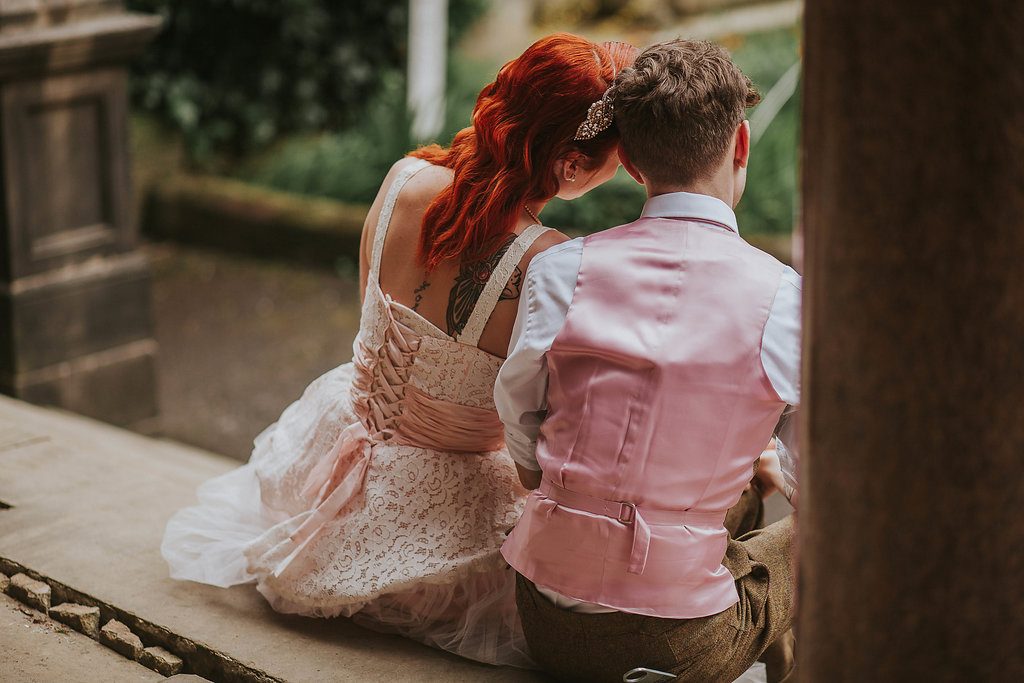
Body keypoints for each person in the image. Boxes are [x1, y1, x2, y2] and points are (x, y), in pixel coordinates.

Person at [160, 34, 636, 668]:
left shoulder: (405, 176)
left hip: (332, 450)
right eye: (614, 161)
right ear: (572, 165)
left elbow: (370, 323)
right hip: (442, 511)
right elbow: (544, 413)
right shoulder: (546, 262)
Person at [494, 38, 801, 682]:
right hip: (678, 648)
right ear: (741, 144)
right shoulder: (784, 298)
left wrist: (538, 475)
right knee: (824, 532)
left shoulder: (560, 270)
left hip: (545, 619)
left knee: (742, 490)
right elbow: (821, 469)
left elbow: (517, 404)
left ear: (630, 162)